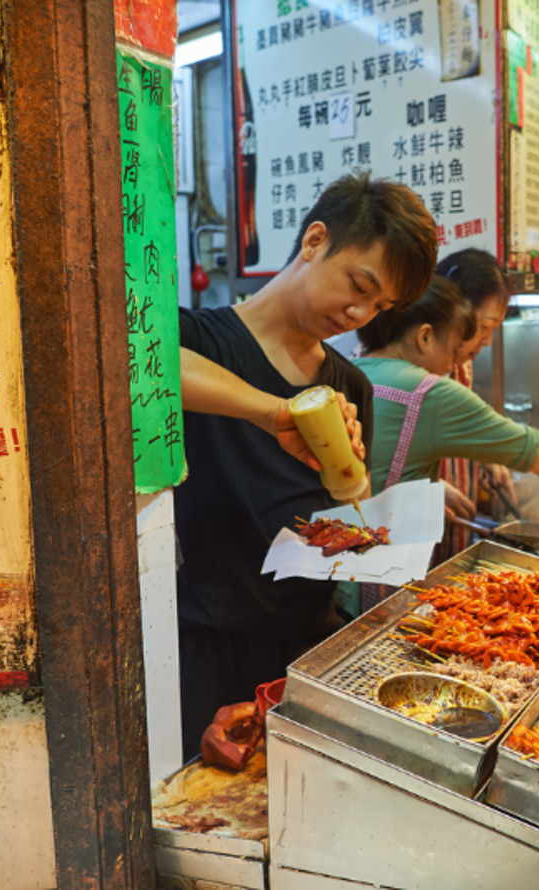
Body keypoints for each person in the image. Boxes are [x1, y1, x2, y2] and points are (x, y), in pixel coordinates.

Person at [175, 173, 437, 759]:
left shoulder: (350, 385)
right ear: (315, 241)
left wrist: (358, 492)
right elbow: (147, 365)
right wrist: (275, 412)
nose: (359, 312)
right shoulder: (200, 337)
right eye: (358, 285)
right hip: (205, 640)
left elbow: (344, 513)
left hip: (307, 642)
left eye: (380, 306)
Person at [353, 277, 539, 565]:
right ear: (425, 337)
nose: (452, 366)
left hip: (335, 566)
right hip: (374, 580)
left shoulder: (350, 370)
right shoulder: (428, 392)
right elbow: (536, 451)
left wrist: (430, 487)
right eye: (453, 351)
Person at [434, 249, 513, 558]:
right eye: (484, 327)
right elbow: (365, 474)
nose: (488, 341)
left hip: (453, 546)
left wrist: (487, 455)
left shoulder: (461, 366)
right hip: (400, 559)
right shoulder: (385, 372)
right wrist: (424, 494)